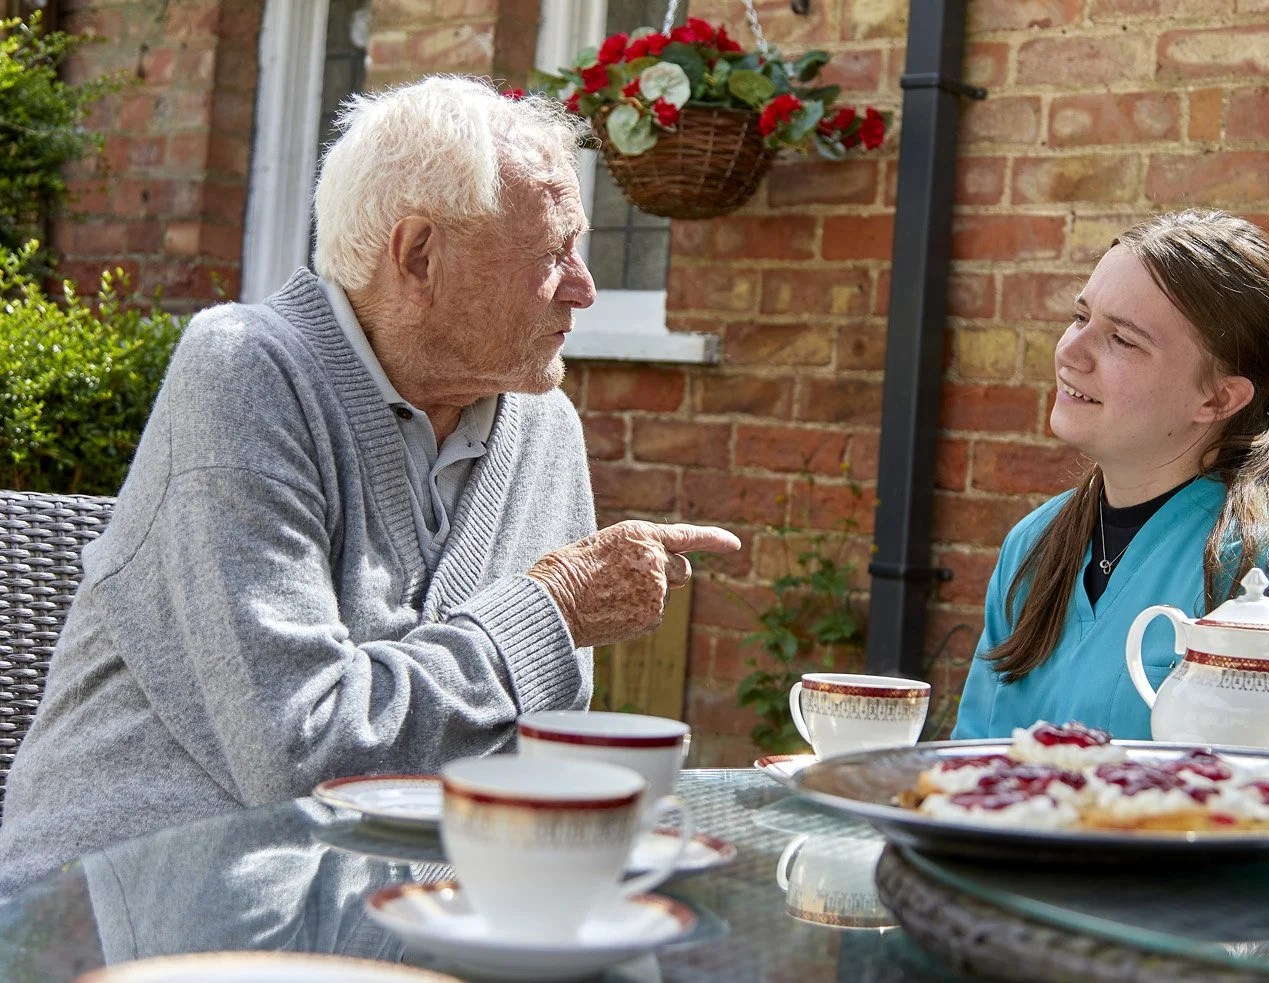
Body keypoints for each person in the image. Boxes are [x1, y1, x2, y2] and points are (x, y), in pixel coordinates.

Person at [0, 75, 740, 893]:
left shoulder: (543, 426)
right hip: (134, 905)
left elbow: (533, 737)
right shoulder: (246, 371)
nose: (585, 285)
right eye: (552, 253)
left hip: (393, 917)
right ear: (419, 255)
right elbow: (303, 751)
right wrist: (552, 609)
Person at [952, 209, 1269, 741]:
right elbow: (969, 761)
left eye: (1123, 340)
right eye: (1081, 317)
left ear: (1218, 397)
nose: (1071, 351)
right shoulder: (1034, 546)